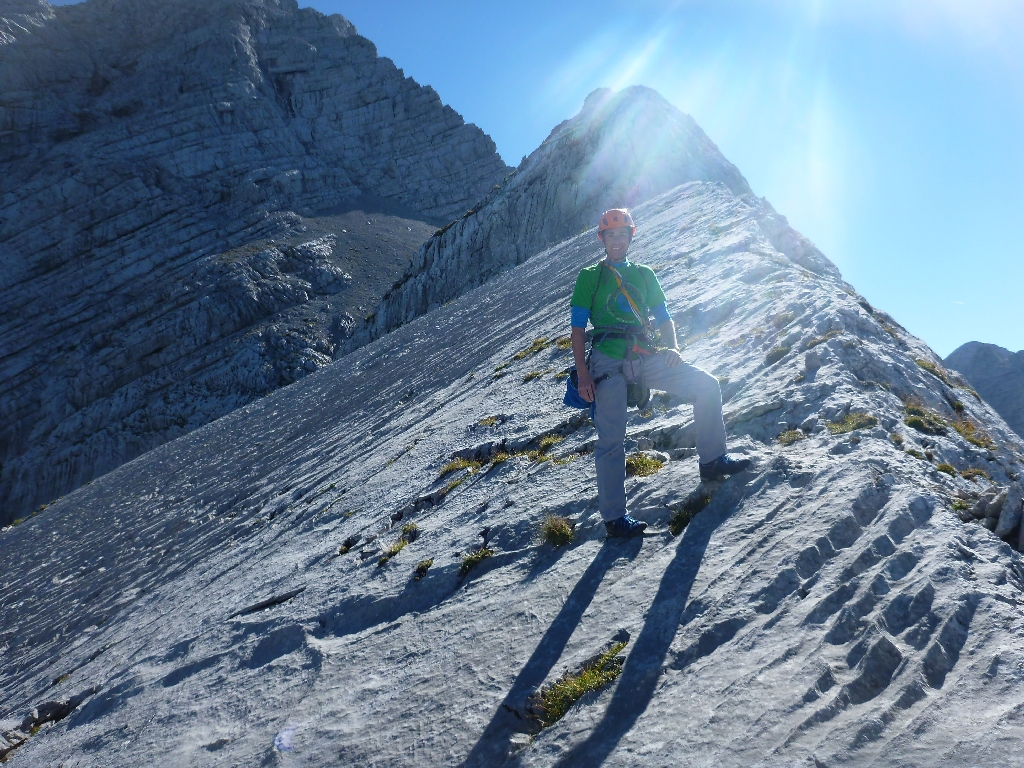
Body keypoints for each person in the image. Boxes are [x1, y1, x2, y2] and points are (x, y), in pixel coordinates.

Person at [570, 209, 750, 538]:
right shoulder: (589, 277)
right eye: (611, 236)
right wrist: (583, 373)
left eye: (622, 234)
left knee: (706, 385)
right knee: (611, 438)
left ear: (631, 237)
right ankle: (614, 518)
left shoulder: (644, 274)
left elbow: (663, 316)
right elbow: (578, 329)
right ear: (602, 240)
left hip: (644, 353)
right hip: (606, 361)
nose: (617, 241)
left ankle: (712, 460)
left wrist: (673, 347)